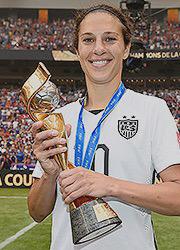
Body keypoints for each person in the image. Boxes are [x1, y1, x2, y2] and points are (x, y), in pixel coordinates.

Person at [29, 4, 180, 250]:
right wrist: (49, 173)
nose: (99, 49)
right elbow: (36, 212)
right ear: (77, 50)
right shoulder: (58, 118)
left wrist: (110, 186)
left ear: (126, 47)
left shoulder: (152, 109)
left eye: (110, 39)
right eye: (88, 40)